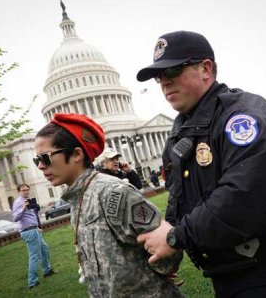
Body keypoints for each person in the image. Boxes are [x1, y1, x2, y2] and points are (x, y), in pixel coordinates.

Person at [136, 30, 266, 298]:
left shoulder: (243, 118)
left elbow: (244, 197)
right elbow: (179, 193)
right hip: (229, 268)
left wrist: (176, 237)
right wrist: (168, 238)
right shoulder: (184, 126)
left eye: (172, 71)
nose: (164, 83)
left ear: (206, 69)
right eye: (159, 76)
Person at [33, 113, 184, 298]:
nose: (40, 166)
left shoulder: (114, 192)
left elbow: (168, 250)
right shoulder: (78, 198)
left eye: (45, 158)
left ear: (76, 154)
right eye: (36, 160)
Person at [12, 183, 55, 289]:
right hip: (28, 232)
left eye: (27, 189)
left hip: (34, 230)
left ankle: (47, 271)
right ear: (19, 191)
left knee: (45, 249)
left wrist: (37, 227)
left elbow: (30, 217)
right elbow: (15, 218)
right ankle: (32, 282)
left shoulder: (28, 201)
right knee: (34, 256)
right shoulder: (18, 202)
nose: (26, 191)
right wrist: (23, 208)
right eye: (23, 190)